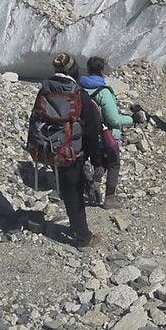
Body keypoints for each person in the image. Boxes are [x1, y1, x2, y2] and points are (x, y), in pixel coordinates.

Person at [39, 52, 104, 247]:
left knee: (67, 190)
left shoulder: (44, 90)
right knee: (76, 192)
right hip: (74, 152)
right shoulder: (78, 94)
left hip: (51, 147)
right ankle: (83, 237)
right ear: (73, 70)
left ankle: (76, 227)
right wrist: (97, 160)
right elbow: (93, 130)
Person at [79, 56, 138, 210]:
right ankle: (109, 198)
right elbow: (114, 120)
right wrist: (132, 119)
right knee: (113, 163)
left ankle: (92, 187)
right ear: (102, 70)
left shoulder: (79, 90)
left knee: (98, 161)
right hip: (106, 136)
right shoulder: (103, 92)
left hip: (86, 136)